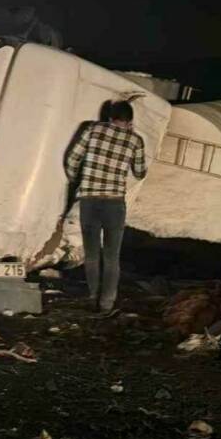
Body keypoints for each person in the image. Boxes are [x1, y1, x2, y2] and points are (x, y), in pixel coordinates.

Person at [64, 100, 147, 314]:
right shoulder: (135, 140)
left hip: (90, 200)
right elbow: (140, 172)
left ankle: (92, 296)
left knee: (91, 254)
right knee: (112, 257)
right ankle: (107, 303)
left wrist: (77, 179)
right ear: (130, 121)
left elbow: (72, 159)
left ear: (110, 117)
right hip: (114, 204)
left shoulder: (93, 129)